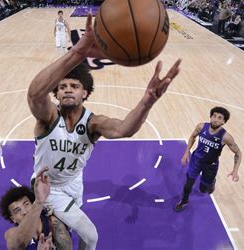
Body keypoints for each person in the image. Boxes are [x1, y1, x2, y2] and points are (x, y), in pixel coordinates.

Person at [28, 14, 181, 249]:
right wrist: (77, 53)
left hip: (73, 183)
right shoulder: (48, 118)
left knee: (67, 233)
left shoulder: (93, 123)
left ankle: (51, 225)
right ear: (56, 94)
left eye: (74, 86)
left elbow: (123, 129)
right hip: (47, 187)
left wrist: (146, 102)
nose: (68, 90)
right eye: (62, 87)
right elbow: (35, 95)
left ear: (85, 93)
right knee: (90, 237)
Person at [174, 107, 242, 212]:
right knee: (188, 184)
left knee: (203, 189)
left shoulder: (226, 137)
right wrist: (187, 152)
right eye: (214, 116)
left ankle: (212, 182)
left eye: (220, 118)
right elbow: (192, 137)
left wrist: (235, 170)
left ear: (224, 122)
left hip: (211, 165)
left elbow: (238, 153)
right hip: (196, 160)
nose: (216, 119)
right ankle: (184, 200)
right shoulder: (201, 127)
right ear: (210, 117)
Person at [0, 167, 72, 250]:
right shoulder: (11, 234)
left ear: (32, 204)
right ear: (13, 219)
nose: (24, 212)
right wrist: (39, 202)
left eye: (26, 204)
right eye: (17, 210)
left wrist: (39, 202)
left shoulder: (52, 222)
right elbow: (17, 245)